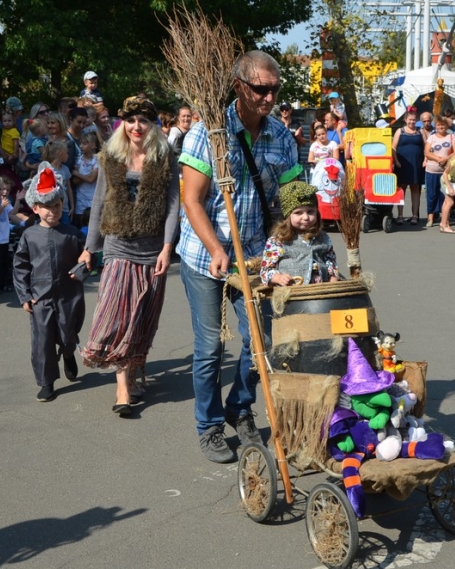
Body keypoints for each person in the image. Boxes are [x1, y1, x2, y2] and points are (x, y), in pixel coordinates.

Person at [178, 50, 301, 462]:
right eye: (260, 89)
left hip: (253, 256)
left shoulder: (281, 136)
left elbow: (290, 200)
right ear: (238, 87)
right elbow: (191, 201)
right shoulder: (208, 132)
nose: (269, 97)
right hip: (205, 255)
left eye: (274, 89)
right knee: (211, 346)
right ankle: (209, 425)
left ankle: (239, 407)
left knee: (260, 343)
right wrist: (216, 248)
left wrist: (299, 245)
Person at [79, 95, 180, 415]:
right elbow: (98, 203)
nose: (137, 126)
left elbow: (173, 206)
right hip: (118, 247)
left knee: (143, 319)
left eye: (144, 121)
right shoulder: (111, 155)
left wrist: (167, 247)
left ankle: (134, 373)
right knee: (119, 316)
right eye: (132, 120)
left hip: (152, 250)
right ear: (124, 123)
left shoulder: (165, 157)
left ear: (153, 125)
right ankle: (122, 389)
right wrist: (89, 248)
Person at [13, 167, 86, 403]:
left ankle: (67, 354)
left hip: (68, 295)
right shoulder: (29, 235)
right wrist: (24, 295)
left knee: (67, 335)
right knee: (42, 341)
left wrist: (81, 270)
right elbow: (20, 266)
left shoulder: (72, 233)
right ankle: (46, 381)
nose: (53, 211)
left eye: (57, 206)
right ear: (35, 208)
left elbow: (87, 258)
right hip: (40, 298)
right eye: (47, 207)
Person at [260, 181, 339, 285]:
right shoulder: (278, 241)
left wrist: (332, 278)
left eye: (310, 212)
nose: (305, 217)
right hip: (292, 293)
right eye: (298, 213)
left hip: (320, 291)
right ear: (288, 216)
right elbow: (266, 270)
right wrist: (278, 278)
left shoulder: (322, 238)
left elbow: (330, 261)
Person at [392, 108, 425, 224]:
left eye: (414, 120)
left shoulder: (420, 131)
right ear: (405, 119)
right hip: (402, 163)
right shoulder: (399, 131)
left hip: (416, 163)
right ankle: (400, 215)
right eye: (410, 119)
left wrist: (425, 160)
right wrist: (396, 161)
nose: (412, 122)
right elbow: (393, 147)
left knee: (415, 189)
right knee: (401, 189)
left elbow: (426, 146)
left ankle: (415, 216)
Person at [424, 116, 455, 227]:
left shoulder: (452, 137)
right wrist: (438, 159)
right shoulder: (431, 137)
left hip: (446, 172)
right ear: (436, 126)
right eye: (438, 125)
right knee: (431, 194)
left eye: (443, 125)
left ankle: (444, 218)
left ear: (447, 126)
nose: (441, 127)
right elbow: (427, 153)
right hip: (432, 170)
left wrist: (445, 159)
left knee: (445, 195)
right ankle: (431, 217)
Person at [42, 140, 74, 224]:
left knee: (65, 230)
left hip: (65, 208)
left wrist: (72, 206)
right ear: (60, 154)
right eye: (67, 153)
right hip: (51, 208)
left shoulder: (65, 169)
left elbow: (69, 189)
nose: (68, 155)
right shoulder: (47, 170)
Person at [72, 131, 100, 226]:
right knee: (82, 222)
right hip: (81, 197)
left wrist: (76, 173)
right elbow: (75, 181)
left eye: (85, 143)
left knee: (92, 223)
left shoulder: (97, 160)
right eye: (80, 143)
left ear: (93, 145)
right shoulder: (78, 159)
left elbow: (91, 179)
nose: (81, 146)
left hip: (93, 197)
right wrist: (87, 175)